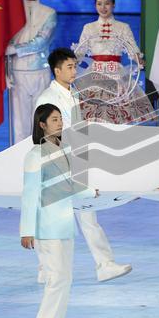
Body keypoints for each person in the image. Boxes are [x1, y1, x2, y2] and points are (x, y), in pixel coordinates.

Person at [34, 47, 133, 282]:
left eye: (74, 66)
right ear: (57, 70)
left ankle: (104, 264)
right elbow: (45, 134)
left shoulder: (73, 94)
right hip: (57, 164)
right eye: (69, 67)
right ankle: (45, 267)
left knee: (88, 214)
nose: (74, 71)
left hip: (75, 159)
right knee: (53, 217)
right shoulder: (47, 99)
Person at [20, 103, 94, 318]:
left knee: (66, 279)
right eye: (53, 120)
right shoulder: (35, 155)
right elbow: (29, 194)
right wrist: (26, 230)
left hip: (64, 224)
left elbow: (69, 185)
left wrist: (92, 192)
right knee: (56, 279)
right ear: (42, 125)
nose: (59, 123)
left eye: (60, 119)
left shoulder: (63, 150)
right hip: (45, 227)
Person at [75, 0, 154, 124]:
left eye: (107, 3)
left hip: (116, 73)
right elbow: (79, 52)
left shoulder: (123, 27)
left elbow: (132, 49)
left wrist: (139, 60)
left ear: (113, 5)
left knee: (117, 115)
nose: (103, 7)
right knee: (93, 115)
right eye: (99, 4)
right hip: (94, 72)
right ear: (95, 6)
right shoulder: (88, 27)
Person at [6, 0, 58, 142]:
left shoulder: (49, 13)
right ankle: (18, 159)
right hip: (17, 72)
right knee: (19, 122)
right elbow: (3, 40)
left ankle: (39, 155)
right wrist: (5, 71)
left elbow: (42, 41)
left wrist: (14, 49)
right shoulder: (11, 11)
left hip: (39, 71)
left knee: (39, 118)